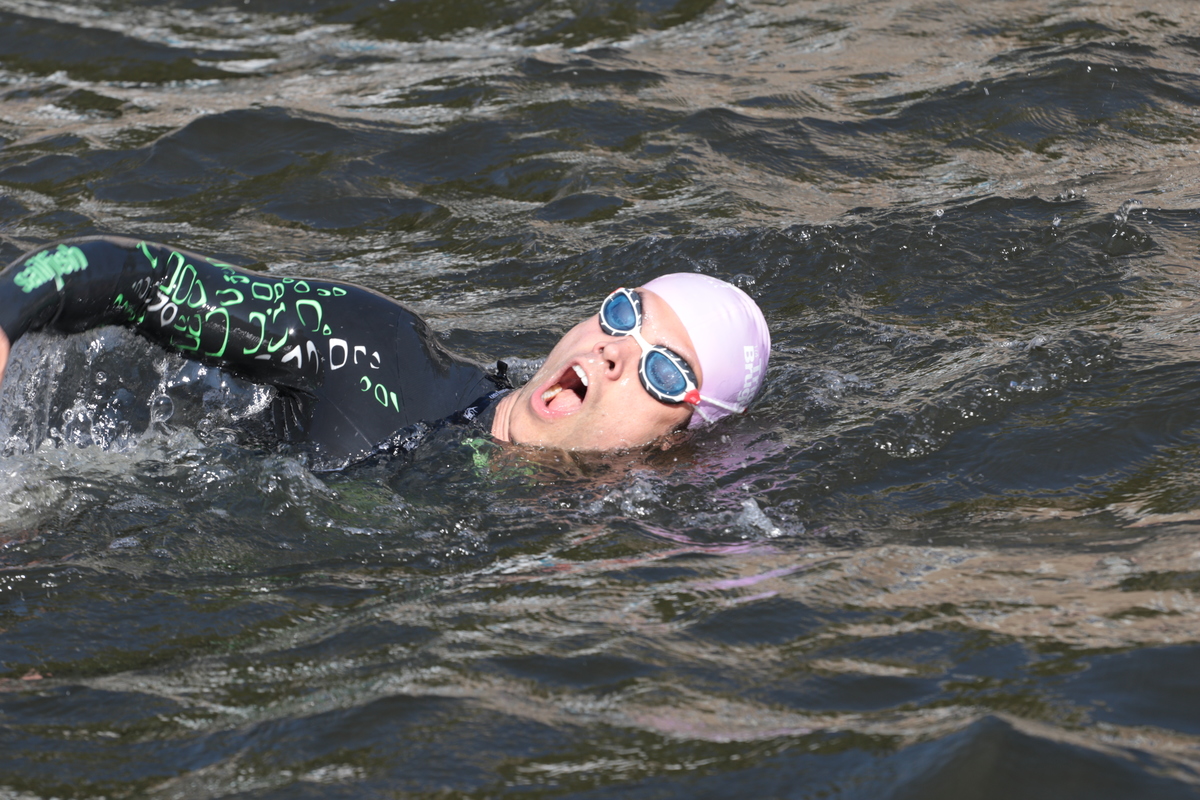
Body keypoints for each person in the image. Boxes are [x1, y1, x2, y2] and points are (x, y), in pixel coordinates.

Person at [0, 236, 770, 469]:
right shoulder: (373, 352)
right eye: (623, 314)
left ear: (678, 443)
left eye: (663, 370)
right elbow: (136, 277)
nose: (611, 352)